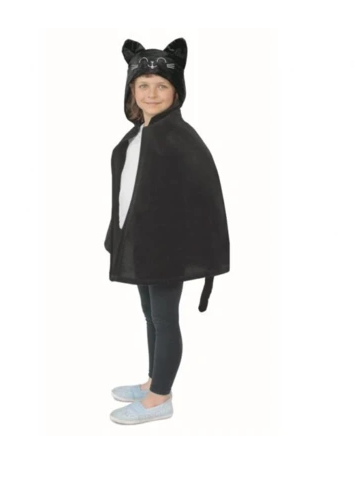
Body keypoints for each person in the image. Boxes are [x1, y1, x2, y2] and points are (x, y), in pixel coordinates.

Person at [107, 38, 230, 425]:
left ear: (176, 92)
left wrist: (196, 248)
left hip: (166, 249)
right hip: (140, 244)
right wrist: (117, 234)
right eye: (143, 85)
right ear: (131, 90)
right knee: (150, 316)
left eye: (162, 85)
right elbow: (127, 191)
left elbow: (205, 195)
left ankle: (160, 398)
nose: (151, 93)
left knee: (164, 319)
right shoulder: (137, 135)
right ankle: (153, 381)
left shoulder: (179, 137)